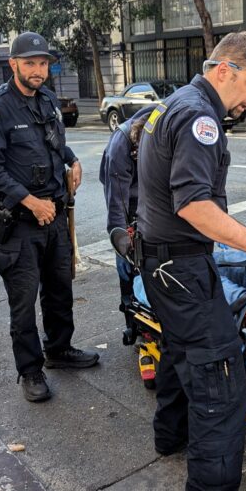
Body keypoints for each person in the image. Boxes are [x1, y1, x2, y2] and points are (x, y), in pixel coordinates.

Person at [136, 31, 246, 491]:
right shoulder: (200, 118)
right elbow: (194, 205)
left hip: (163, 263)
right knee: (220, 379)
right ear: (225, 70)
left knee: (181, 351)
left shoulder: (172, 105)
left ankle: (172, 435)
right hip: (180, 265)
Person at [0, 31, 99, 403]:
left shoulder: (46, 99)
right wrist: (31, 202)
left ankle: (59, 350)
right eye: (30, 63)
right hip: (21, 224)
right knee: (24, 301)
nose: (38, 70)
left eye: (43, 63)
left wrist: (72, 159)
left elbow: (54, 142)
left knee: (60, 290)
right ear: (12, 64)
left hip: (55, 217)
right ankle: (30, 371)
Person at [98, 105, 155, 331]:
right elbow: (116, 209)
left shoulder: (164, 126)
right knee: (128, 262)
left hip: (151, 197)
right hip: (126, 198)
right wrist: (125, 243)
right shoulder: (120, 148)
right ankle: (131, 319)